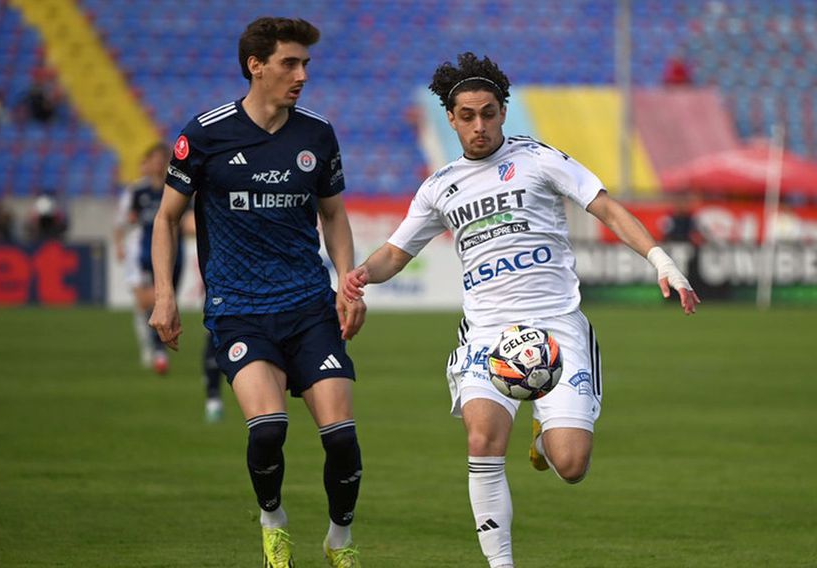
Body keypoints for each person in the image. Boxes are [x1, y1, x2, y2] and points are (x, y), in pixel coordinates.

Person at [343, 53, 700, 568]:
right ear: (450, 117)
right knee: (482, 438)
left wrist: (660, 259)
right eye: (467, 115)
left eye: (488, 113)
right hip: (487, 333)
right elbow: (395, 254)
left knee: (572, 464)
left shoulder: (540, 158)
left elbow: (606, 207)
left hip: (558, 327)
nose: (479, 125)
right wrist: (358, 278)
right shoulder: (438, 187)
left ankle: (543, 430)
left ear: (503, 110)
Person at [149, 17, 366, 568]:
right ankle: (274, 522)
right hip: (239, 311)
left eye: (306, 64)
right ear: (256, 65)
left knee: (340, 437)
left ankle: (340, 540)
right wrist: (165, 296)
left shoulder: (316, 133)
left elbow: (333, 215)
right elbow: (166, 219)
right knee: (268, 429)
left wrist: (348, 281)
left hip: (309, 307)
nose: (302, 75)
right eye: (290, 63)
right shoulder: (204, 134)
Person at [116, 142, 181, 375]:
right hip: (145, 252)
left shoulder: (175, 188)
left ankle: (155, 347)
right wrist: (120, 245)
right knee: (150, 301)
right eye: (154, 158)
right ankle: (155, 350)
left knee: (165, 301)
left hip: (175, 252)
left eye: (162, 158)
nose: (158, 163)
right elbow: (124, 220)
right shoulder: (138, 191)